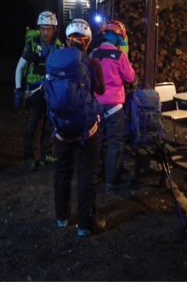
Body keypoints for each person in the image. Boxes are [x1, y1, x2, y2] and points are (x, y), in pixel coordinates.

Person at [50, 19, 106, 237]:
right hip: (86, 128)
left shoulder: (53, 61)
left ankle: (62, 218)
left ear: (67, 40)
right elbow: (99, 90)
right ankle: (85, 224)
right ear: (88, 42)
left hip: (62, 128)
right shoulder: (93, 64)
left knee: (62, 171)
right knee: (86, 173)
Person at [90, 20, 135, 190]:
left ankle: (97, 174)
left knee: (98, 141)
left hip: (96, 106)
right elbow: (130, 77)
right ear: (118, 37)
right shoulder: (119, 55)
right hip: (115, 108)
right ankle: (111, 178)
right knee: (115, 142)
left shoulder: (93, 54)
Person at [14, 11, 62, 171]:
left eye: (49, 29)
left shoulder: (59, 46)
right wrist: (18, 89)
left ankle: (46, 154)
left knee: (50, 124)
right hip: (35, 91)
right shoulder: (32, 44)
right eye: (42, 29)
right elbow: (20, 67)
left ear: (54, 29)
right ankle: (28, 157)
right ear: (39, 29)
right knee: (33, 124)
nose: (45, 32)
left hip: (51, 91)